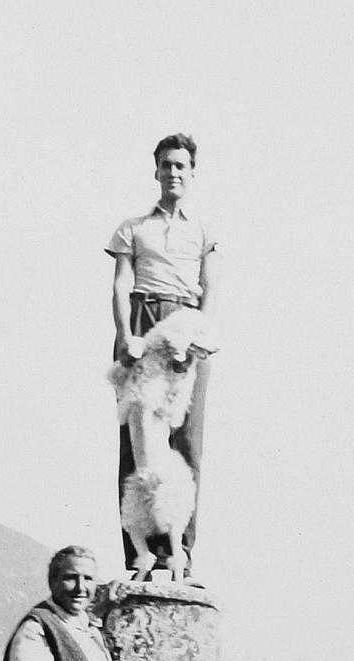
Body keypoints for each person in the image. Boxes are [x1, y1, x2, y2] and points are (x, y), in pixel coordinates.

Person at [106, 133, 221, 584]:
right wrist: (126, 336)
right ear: (155, 170)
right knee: (137, 443)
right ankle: (139, 552)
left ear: (192, 173)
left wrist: (198, 337)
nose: (173, 173)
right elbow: (119, 284)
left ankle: (181, 553)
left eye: (181, 166)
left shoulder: (204, 230)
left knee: (186, 441)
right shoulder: (133, 227)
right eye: (166, 165)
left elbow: (211, 288)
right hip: (143, 316)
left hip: (185, 324)